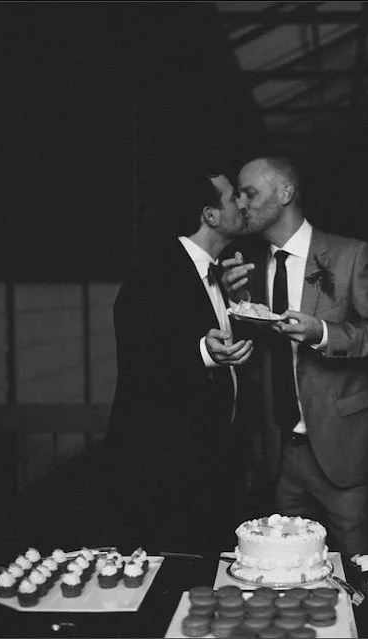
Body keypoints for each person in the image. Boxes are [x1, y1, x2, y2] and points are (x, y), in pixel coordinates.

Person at [223, 156, 368, 555]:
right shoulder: (247, 266)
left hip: (345, 452)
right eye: (237, 195)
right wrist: (235, 303)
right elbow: (250, 356)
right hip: (280, 455)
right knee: (288, 570)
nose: (241, 203)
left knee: (358, 570)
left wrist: (322, 333)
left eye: (250, 193)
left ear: (285, 193)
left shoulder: (351, 255)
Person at [104, 170, 254, 554]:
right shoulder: (154, 277)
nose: (242, 202)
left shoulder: (219, 276)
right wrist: (203, 353)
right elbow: (140, 364)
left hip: (212, 465)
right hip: (166, 470)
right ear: (211, 215)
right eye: (233, 196)